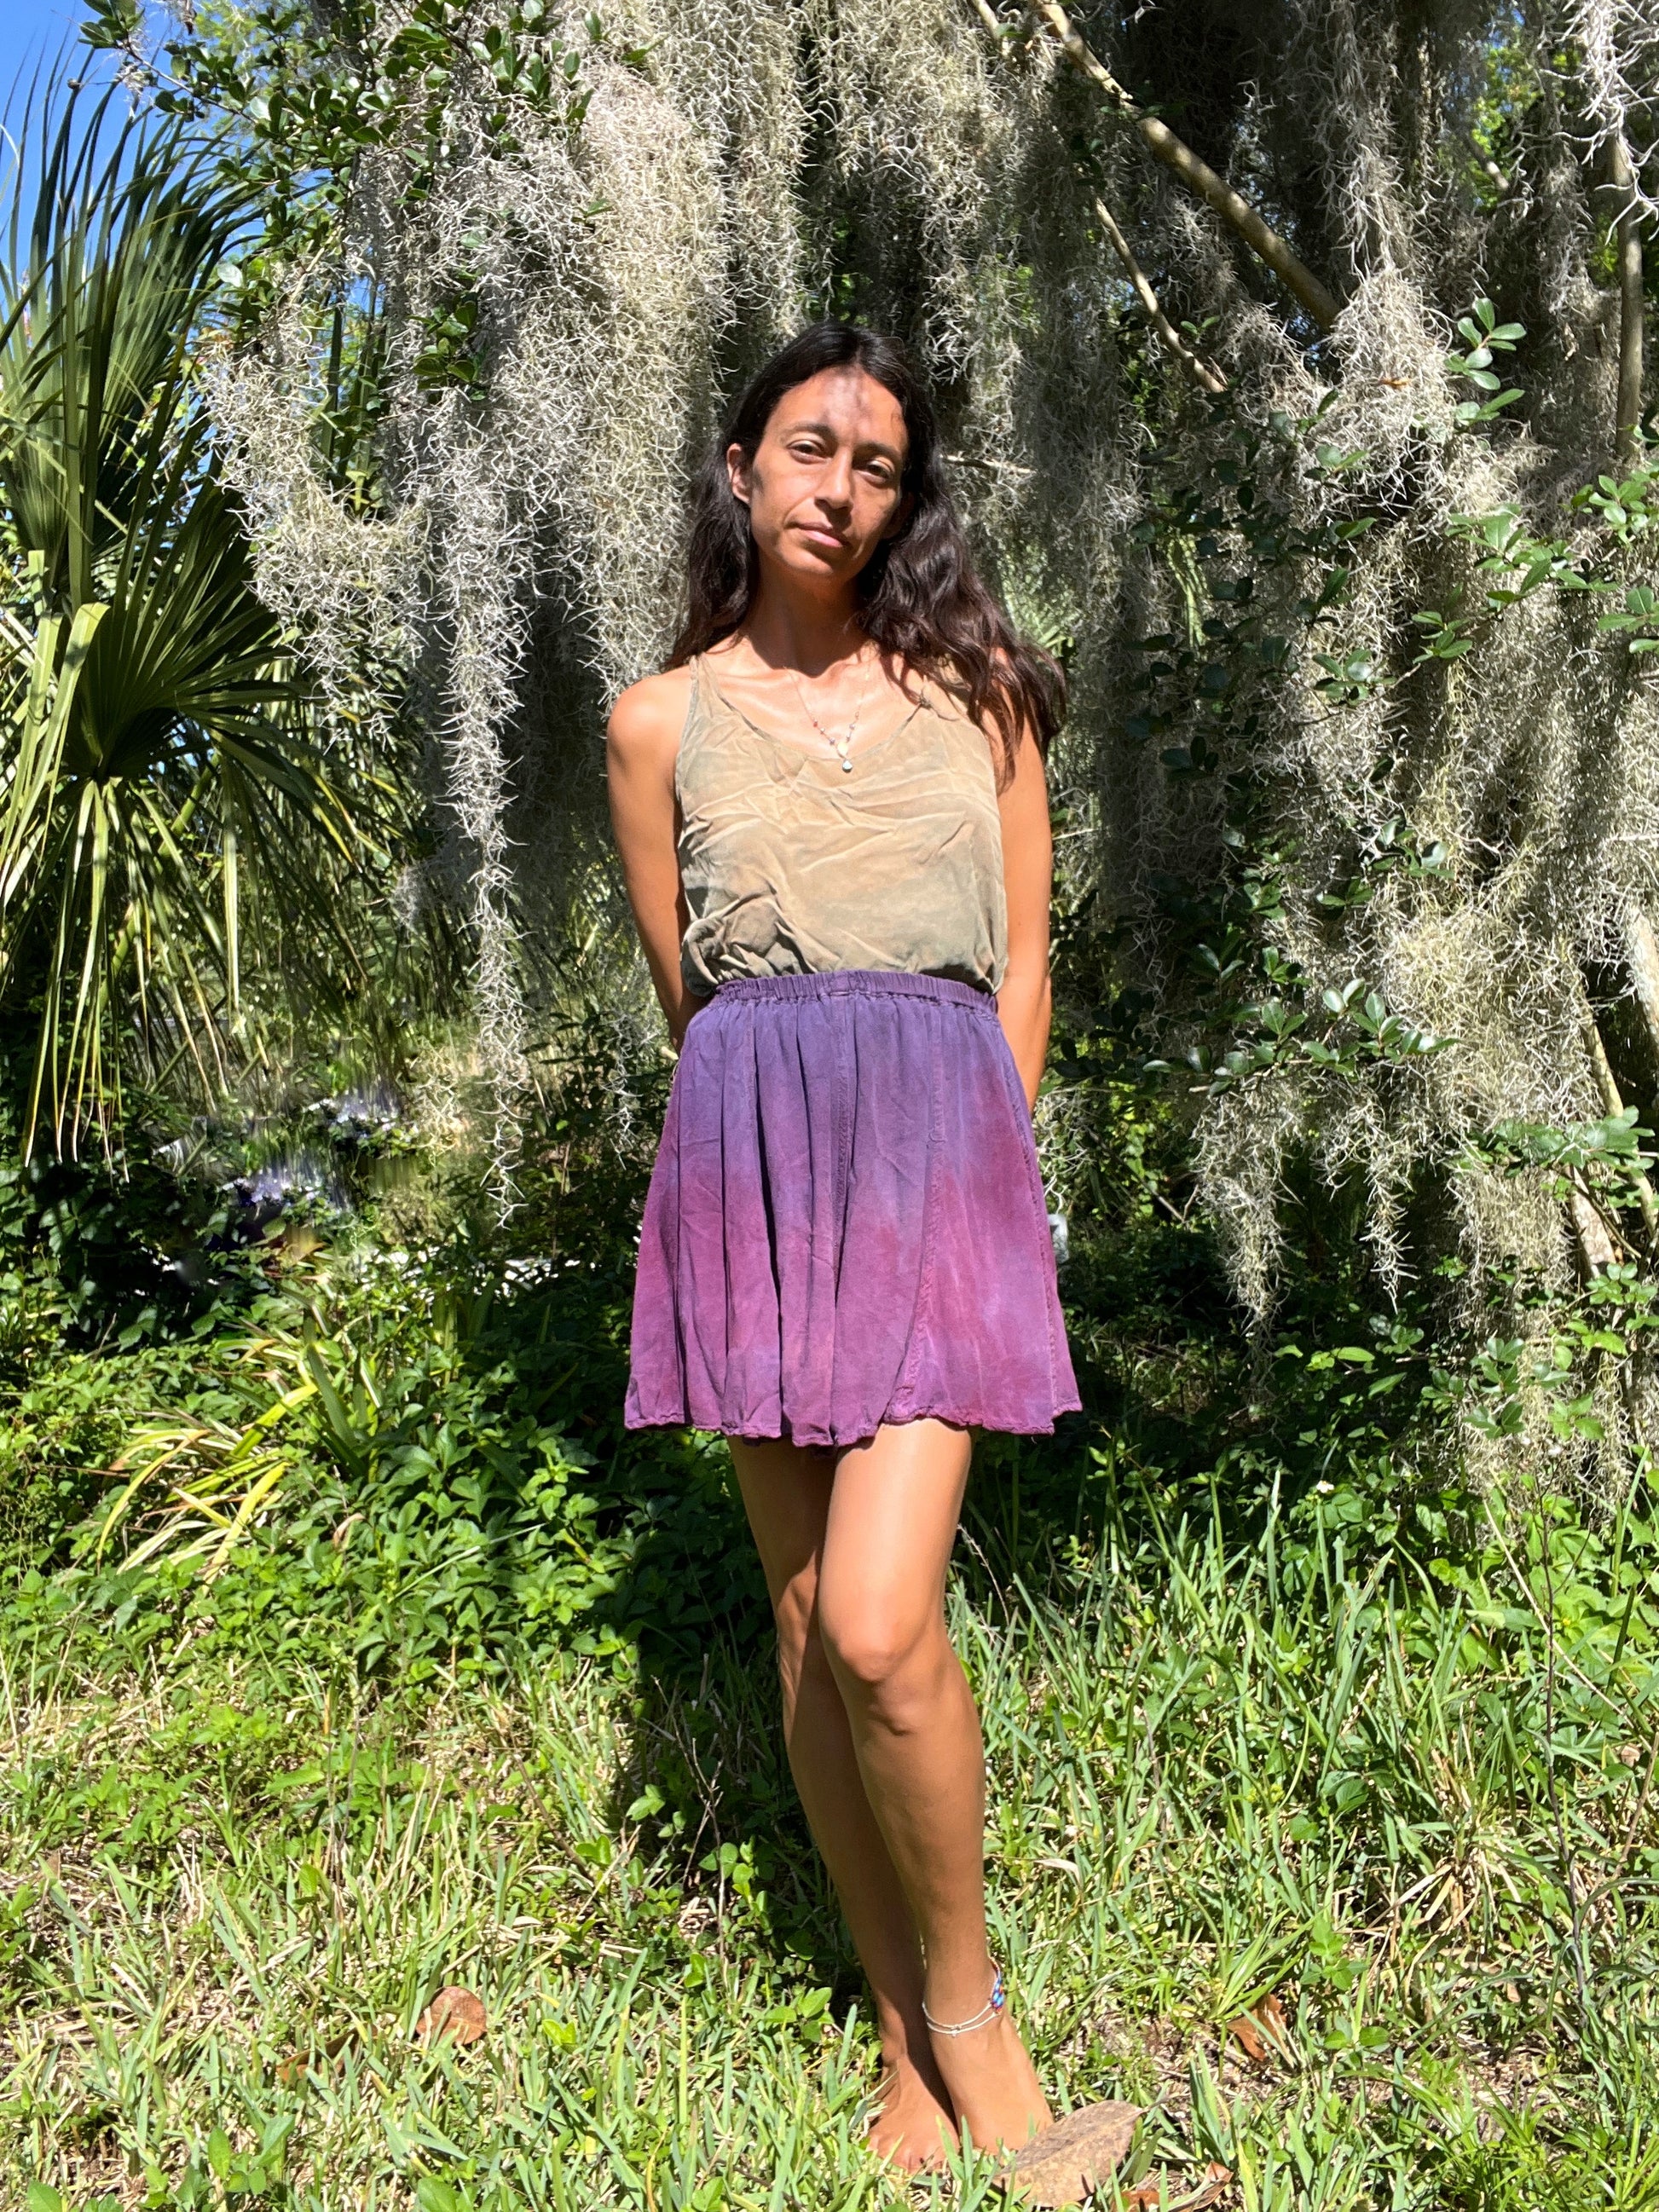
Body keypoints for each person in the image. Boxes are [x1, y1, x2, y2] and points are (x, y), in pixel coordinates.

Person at [606, 321, 1081, 2174]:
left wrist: (978, 1174)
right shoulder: (658, 724)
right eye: (809, 448)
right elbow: (693, 995)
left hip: (939, 1168)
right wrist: (783, 1127)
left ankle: (975, 2023)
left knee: (882, 1623)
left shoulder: (983, 696)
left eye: (877, 464)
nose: (840, 488)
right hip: (754, 1168)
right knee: (807, 1627)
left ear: (907, 496)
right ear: (741, 467)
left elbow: (1024, 970)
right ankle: (896, 2045)